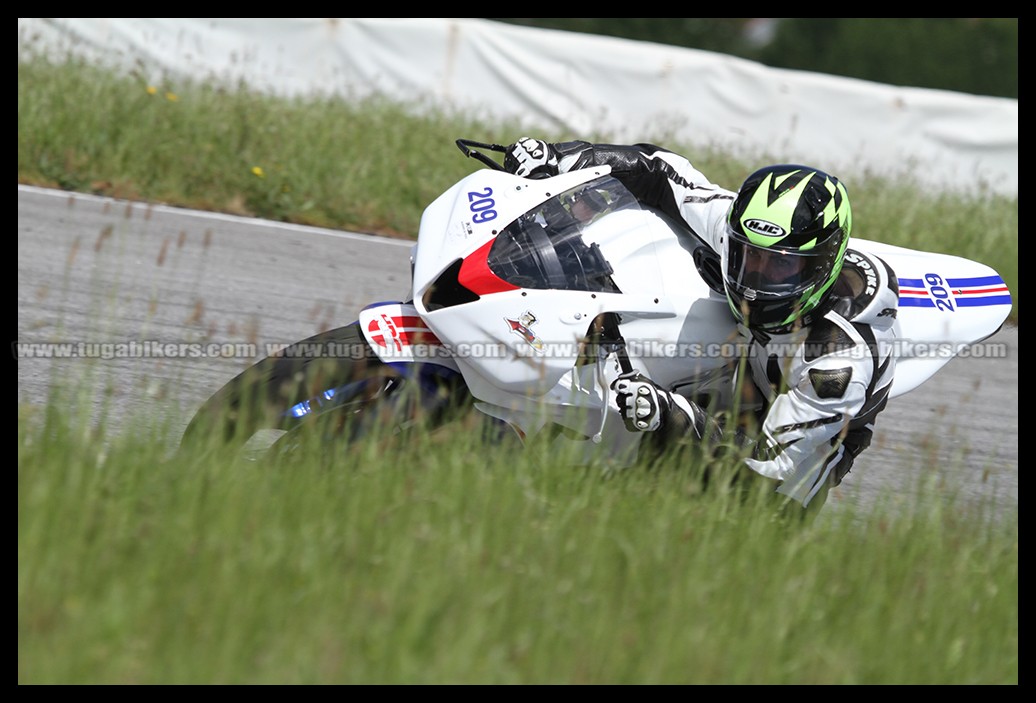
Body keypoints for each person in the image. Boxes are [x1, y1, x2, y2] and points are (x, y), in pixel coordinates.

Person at [502, 137, 900, 513]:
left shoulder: (836, 362)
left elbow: (769, 468)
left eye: (780, 265)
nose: (757, 279)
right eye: (749, 258)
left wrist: (672, 413)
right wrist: (560, 160)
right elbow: (662, 173)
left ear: (822, 265)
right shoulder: (742, 235)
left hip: (779, 483)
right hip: (744, 373)